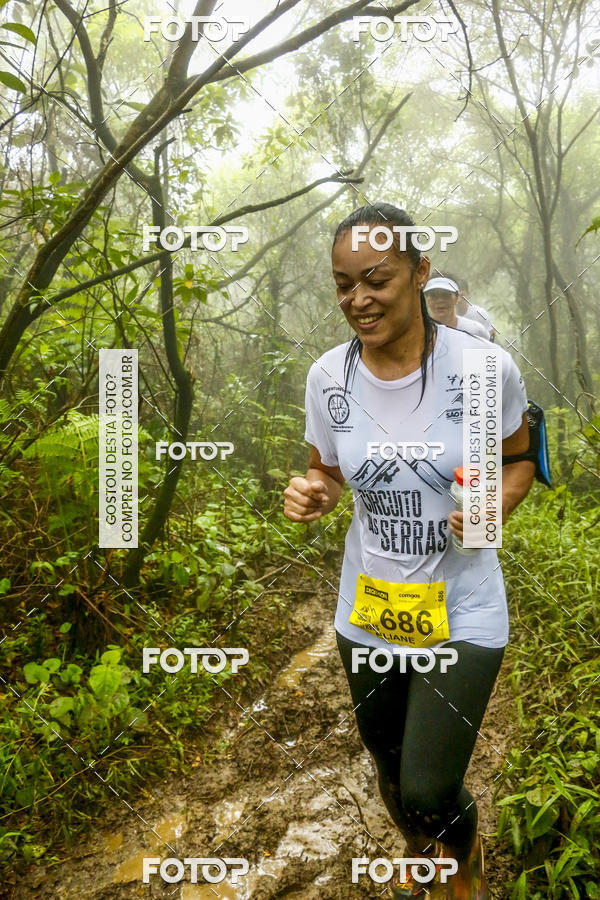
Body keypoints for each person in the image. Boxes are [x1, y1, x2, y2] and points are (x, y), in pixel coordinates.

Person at [283, 203, 535, 899]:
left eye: (376, 279)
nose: (358, 300)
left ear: (421, 272)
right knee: (389, 765)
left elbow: (518, 460)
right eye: (344, 285)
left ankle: (463, 861)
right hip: (368, 610)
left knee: (428, 784)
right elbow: (327, 471)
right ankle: (425, 855)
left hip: (462, 608)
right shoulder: (328, 377)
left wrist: (493, 506)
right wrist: (314, 493)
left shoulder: (483, 368)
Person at [423, 275, 489, 340]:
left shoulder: (475, 331)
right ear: (427, 299)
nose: (440, 300)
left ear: (457, 298)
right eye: (434, 295)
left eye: (445, 294)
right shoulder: (420, 331)